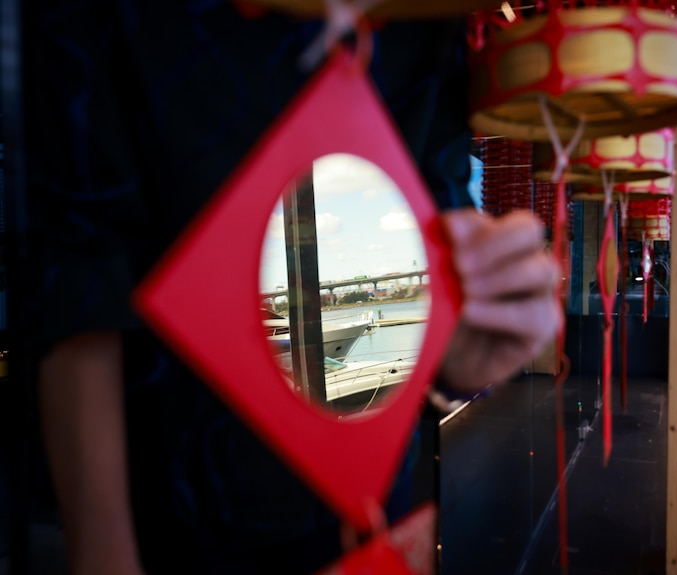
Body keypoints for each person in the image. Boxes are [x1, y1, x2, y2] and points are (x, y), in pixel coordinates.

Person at [23, 2, 562, 574]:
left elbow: (436, 217)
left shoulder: (428, 22)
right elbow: (80, 282)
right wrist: (103, 551)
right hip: (174, 489)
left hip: (375, 493)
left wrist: (457, 346)